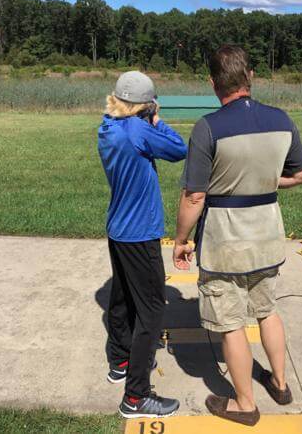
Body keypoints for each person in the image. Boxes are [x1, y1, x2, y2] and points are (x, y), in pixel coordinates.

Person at [173, 46, 302, 426]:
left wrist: (181, 239)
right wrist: (266, 182)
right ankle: (280, 384)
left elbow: (195, 196)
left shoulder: (207, 127)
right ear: (250, 76)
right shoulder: (281, 120)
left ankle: (245, 404)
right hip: (268, 237)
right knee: (268, 310)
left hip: (225, 243)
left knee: (231, 323)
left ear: (212, 82)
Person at [98, 71, 187, 419]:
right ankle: (136, 397)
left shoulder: (109, 126)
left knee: (122, 300)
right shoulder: (138, 130)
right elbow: (178, 149)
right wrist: (158, 121)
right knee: (151, 311)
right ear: (145, 105)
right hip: (139, 233)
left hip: (119, 228)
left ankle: (120, 361)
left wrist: (146, 119)